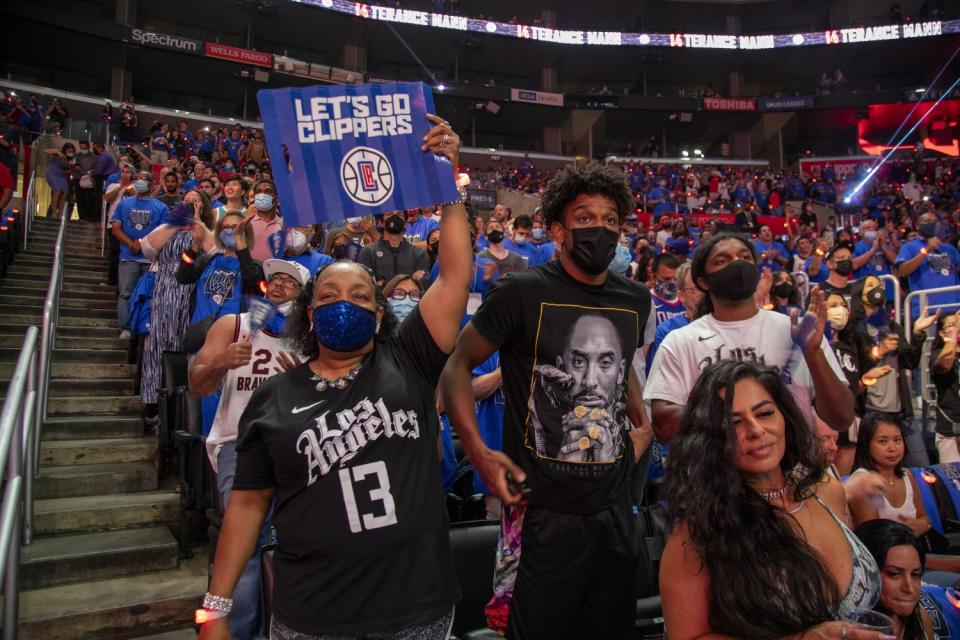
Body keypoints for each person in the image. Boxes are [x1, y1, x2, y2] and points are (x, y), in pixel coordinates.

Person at [197, 115, 471, 640]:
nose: (344, 304)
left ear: (380, 313)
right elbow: (248, 506)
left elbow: (455, 274)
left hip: (415, 610)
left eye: (361, 296)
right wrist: (213, 610)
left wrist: (449, 181)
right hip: (311, 616)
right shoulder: (274, 398)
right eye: (327, 296)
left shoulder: (409, 358)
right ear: (307, 313)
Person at [442, 161, 653, 640]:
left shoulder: (636, 299)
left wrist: (640, 423)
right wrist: (476, 448)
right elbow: (456, 365)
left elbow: (625, 370)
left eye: (611, 220)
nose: (600, 228)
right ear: (557, 230)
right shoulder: (521, 292)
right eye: (584, 218)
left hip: (614, 511)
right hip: (541, 514)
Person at [660, 360, 881, 639]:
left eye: (764, 413)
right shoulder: (696, 535)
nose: (755, 430)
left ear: (784, 417)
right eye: (734, 423)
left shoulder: (826, 489)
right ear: (710, 439)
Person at [192, 259, 308, 639]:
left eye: (289, 283)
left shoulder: (311, 338)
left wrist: (302, 383)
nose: (278, 285)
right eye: (274, 279)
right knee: (246, 539)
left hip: (296, 446)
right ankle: (240, 629)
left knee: (293, 540)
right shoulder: (234, 325)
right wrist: (221, 363)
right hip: (239, 444)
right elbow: (196, 383)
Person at [645, 232, 854, 444]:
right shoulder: (681, 341)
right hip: (713, 472)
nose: (737, 264)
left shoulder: (796, 331)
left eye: (745, 258)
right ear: (703, 282)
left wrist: (813, 354)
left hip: (794, 472)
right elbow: (664, 427)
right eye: (722, 260)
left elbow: (841, 418)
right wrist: (736, 411)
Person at [138, 190, 215, 408]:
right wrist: (176, 222)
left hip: (189, 295)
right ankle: (153, 403)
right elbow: (147, 248)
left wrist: (197, 221)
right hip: (163, 296)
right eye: (186, 201)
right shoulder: (168, 228)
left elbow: (213, 251)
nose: (190, 204)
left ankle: (179, 406)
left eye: (195, 202)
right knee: (156, 347)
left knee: (182, 347)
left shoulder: (207, 231)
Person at [849, 413, 933, 539]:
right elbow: (872, 536)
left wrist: (923, 525)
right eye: (883, 441)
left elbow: (923, 518)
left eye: (897, 440)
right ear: (866, 444)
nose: (892, 448)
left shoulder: (907, 476)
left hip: (915, 549)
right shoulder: (863, 482)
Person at [111, 171, 170, 340]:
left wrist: (143, 243)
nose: (140, 182)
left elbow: (164, 232)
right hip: (128, 257)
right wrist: (130, 243)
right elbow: (115, 227)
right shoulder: (124, 204)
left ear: (152, 185)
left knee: (150, 295)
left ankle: (145, 327)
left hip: (150, 259)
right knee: (126, 293)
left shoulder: (161, 207)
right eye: (138, 178)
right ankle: (125, 327)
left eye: (144, 179)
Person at [854, 520, 936, 640]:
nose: (909, 588)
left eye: (916, 574)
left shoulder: (922, 620)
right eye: (894, 574)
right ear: (864, 573)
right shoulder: (845, 631)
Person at [896, 211, 960, 319]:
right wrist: (927, 249)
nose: (931, 224)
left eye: (935, 222)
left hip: (954, 306)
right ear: (917, 225)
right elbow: (903, 271)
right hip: (927, 309)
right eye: (927, 221)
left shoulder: (948, 247)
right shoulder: (909, 247)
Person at [357, 210, 430, 286]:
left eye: (400, 214)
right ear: (381, 223)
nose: (395, 217)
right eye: (389, 214)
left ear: (406, 224)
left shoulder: (419, 254)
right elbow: (365, 285)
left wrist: (383, 283)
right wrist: (411, 279)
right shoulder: (368, 252)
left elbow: (423, 285)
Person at [930, 311, 960, 463]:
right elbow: (944, 365)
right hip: (950, 432)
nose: (957, 327)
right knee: (952, 483)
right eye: (951, 324)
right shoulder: (937, 355)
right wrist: (955, 332)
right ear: (942, 334)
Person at [247, 179, 283, 262]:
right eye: (258, 192)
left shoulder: (284, 225)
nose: (262, 195)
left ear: (277, 200)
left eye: (268, 191)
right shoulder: (245, 222)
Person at [650, 252, 685, 326]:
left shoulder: (686, 301)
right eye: (667, 279)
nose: (672, 282)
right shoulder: (647, 303)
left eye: (676, 279)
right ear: (653, 277)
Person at [43, 142, 75, 217]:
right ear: (65, 150)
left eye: (72, 151)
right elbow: (45, 151)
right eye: (69, 151)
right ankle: (54, 212)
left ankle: (60, 213)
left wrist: (72, 168)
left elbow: (69, 172)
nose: (71, 153)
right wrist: (57, 152)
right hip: (52, 173)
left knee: (65, 192)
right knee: (57, 191)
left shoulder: (71, 159)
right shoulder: (59, 152)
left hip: (61, 176)